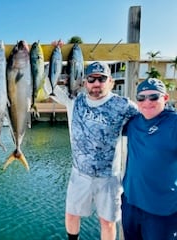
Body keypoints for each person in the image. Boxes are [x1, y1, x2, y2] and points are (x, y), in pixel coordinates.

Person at [48, 61, 138, 240]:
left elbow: (148, 118)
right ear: (84, 82)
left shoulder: (124, 105)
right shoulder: (74, 100)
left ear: (110, 81)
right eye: (91, 79)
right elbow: (45, 83)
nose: (96, 83)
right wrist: (54, 55)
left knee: (108, 222)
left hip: (109, 177)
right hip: (79, 174)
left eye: (101, 79)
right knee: (71, 215)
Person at [121, 78, 177, 239]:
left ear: (165, 98)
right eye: (141, 98)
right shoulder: (133, 123)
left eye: (153, 97)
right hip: (130, 204)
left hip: (162, 211)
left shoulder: (173, 124)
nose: (147, 102)